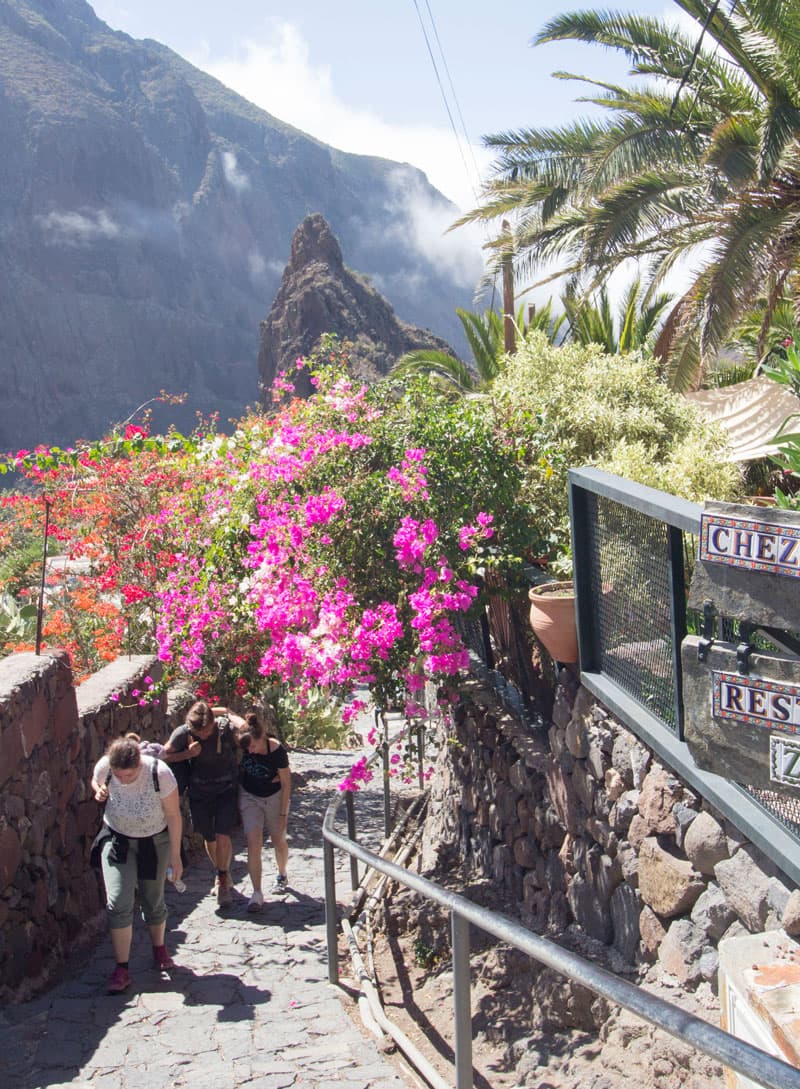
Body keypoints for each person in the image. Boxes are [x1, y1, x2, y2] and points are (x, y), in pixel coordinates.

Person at [91, 736, 182, 994]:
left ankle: (159, 948)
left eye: (129, 776)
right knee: (118, 900)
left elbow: (174, 815)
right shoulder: (106, 766)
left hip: (154, 841)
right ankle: (122, 968)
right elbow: (96, 780)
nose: (123, 780)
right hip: (117, 837)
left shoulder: (159, 773)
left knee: (152, 898)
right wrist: (98, 790)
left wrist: (175, 856)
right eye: (119, 776)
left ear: (139, 765)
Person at [163, 700, 243, 907]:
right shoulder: (183, 733)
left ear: (213, 722)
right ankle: (220, 871)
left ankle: (223, 877)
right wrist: (188, 754)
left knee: (223, 834)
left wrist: (226, 709)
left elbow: (244, 728)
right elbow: (164, 755)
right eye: (199, 732)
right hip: (199, 792)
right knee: (209, 836)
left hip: (226, 789)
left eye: (206, 731)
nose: (203, 735)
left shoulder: (225, 729)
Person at [238, 709, 291, 912]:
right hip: (250, 796)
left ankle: (282, 872)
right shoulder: (244, 737)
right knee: (253, 842)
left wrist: (283, 815)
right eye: (247, 747)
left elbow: (286, 783)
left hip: (274, 797)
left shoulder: (276, 750)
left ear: (262, 738)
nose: (250, 751)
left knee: (278, 840)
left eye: (253, 746)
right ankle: (257, 893)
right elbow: (229, 713)